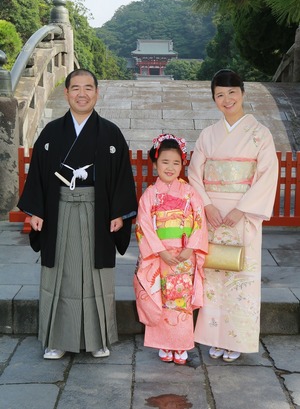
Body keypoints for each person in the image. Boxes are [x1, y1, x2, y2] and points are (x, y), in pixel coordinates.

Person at [18, 68, 137, 359]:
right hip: (59, 211)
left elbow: (123, 177)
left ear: (97, 92)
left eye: (88, 88)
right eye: (75, 88)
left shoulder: (110, 133)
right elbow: (38, 177)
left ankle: (98, 339)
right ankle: (57, 339)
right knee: (61, 273)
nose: (82, 94)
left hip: (98, 212)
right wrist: (35, 210)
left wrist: (120, 213)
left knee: (97, 275)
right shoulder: (50, 133)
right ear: (66, 93)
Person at [188, 69, 278, 362]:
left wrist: (242, 208)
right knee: (213, 275)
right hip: (213, 213)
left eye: (232, 92)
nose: (227, 99)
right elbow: (194, 173)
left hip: (244, 213)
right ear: (214, 99)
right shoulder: (207, 135)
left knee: (241, 276)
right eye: (220, 95)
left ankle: (237, 338)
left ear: (242, 92)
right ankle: (214, 336)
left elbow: (267, 174)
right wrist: (207, 206)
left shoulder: (260, 134)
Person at [134, 134, 208, 365]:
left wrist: (191, 248)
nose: (170, 167)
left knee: (181, 301)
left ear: (182, 165)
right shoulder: (149, 195)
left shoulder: (190, 193)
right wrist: (160, 251)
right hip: (160, 256)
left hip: (184, 255)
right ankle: (164, 344)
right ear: (155, 163)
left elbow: (199, 222)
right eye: (165, 162)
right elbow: (144, 226)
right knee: (161, 299)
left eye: (176, 163)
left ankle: (181, 345)